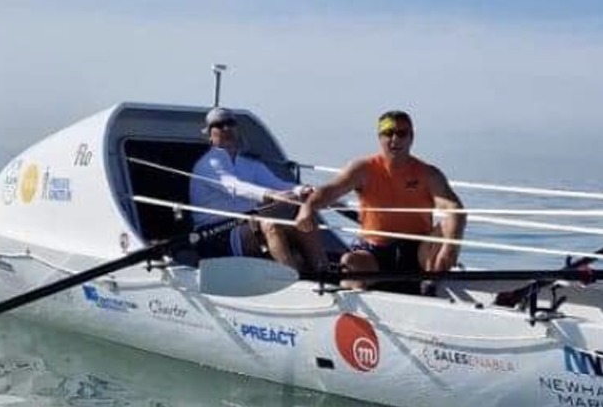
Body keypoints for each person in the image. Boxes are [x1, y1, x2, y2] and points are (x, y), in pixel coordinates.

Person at [294, 110, 466, 289]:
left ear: (411, 137)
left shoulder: (429, 173)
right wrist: (308, 207)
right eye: (388, 133)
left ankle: (434, 289)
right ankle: (351, 306)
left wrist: (450, 248)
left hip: (418, 252)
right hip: (376, 251)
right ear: (380, 137)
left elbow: (454, 207)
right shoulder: (363, 168)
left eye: (401, 133)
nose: (395, 139)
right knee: (350, 261)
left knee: (449, 224)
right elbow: (330, 191)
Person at [191, 107, 326, 273]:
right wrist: (271, 194)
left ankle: (323, 273)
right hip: (215, 234)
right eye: (219, 125)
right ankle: (291, 279)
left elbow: (278, 184)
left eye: (230, 123)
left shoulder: (250, 163)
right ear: (210, 135)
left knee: (305, 220)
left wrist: (303, 190)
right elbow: (234, 186)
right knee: (271, 224)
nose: (226, 128)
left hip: (247, 224)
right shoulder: (208, 163)